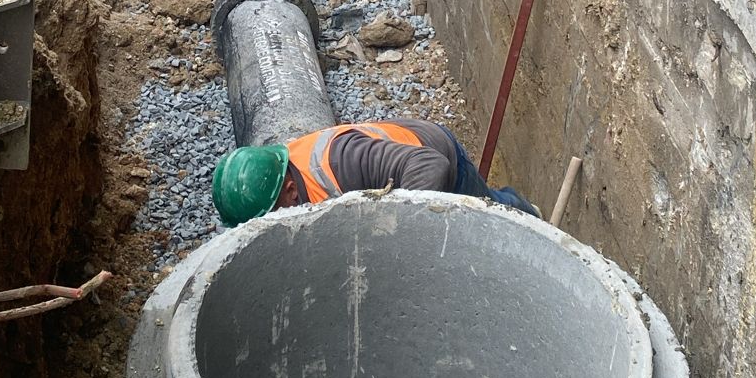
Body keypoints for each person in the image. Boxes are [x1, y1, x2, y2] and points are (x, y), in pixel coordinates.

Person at [212, 120, 539, 227]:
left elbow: (430, 167)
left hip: (436, 156)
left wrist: (395, 228)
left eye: (271, 216)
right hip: (399, 167)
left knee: (491, 213)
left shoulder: (344, 162)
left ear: (290, 191)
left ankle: (528, 214)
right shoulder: (278, 171)